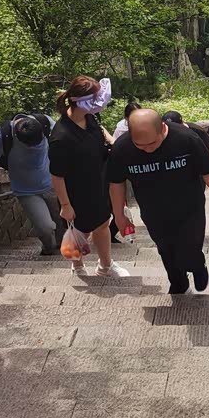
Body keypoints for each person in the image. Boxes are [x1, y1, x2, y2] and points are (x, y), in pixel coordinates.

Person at [108, 109, 209, 294]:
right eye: (140, 145)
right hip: (152, 209)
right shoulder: (122, 148)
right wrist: (118, 215)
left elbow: (208, 171)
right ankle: (178, 283)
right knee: (165, 248)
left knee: (191, 245)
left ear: (162, 128)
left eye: (152, 143)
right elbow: (116, 183)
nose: (148, 149)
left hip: (190, 206)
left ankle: (197, 265)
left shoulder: (186, 139)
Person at [48, 76, 129, 278]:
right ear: (79, 100)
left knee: (102, 224)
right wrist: (65, 205)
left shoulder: (90, 118)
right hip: (76, 191)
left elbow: (100, 131)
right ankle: (77, 265)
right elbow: (57, 175)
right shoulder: (61, 136)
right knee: (79, 231)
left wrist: (114, 143)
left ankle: (105, 265)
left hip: (98, 183)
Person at [0, 114, 64, 255]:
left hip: (52, 184)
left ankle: (64, 248)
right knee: (46, 227)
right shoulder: (2, 137)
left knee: (61, 220)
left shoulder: (45, 123)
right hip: (26, 191)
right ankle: (49, 248)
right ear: (17, 137)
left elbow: (64, 145)